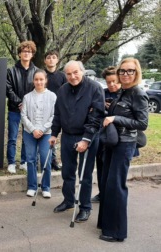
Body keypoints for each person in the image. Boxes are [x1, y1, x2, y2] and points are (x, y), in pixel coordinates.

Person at [97, 58, 148, 242]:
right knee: (106, 184)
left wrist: (115, 118)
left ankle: (117, 232)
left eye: (130, 71)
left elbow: (142, 123)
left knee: (116, 186)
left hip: (125, 144)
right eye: (123, 71)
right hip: (112, 142)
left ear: (137, 73)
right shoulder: (122, 92)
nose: (126, 74)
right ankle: (106, 224)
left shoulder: (138, 93)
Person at [49, 60, 104, 223]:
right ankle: (68, 200)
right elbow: (57, 114)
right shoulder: (62, 90)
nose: (72, 76)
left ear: (83, 71)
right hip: (67, 136)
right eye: (69, 74)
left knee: (84, 174)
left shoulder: (95, 88)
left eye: (75, 72)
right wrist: (54, 133)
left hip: (87, 136)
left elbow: (97, 117)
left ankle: (85, 207)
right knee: (67, 171)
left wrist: (86, 139)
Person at [21, 70, 56, 198]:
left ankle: (46, 187)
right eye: (36, 79)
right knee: (30, 159)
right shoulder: (27, 97)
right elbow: (23, 115)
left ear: (45, 80)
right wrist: (33, 129)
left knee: (45, 159)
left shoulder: (52, 96)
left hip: (46, 133)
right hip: (29, 132)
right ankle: (32, 186)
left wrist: (42, 129)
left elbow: (54, 115)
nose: (39, 82)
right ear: (33, 81)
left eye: (41, 79)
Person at [6, 41, 38, 173]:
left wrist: (27, 105)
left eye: (29, 51)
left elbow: (38, 89)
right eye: (24, 51)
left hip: (30, 111)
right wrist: (20, 103)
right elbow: (8, 89)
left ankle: (24, 161)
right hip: (15, 109)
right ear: (19, 54)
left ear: (32, 54)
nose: (26, 53)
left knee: (27, 137)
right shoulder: (11, 71)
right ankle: (11, 162)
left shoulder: (37, 71)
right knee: (12, 137)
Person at [91, 66, 121, 203]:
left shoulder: (125, 94)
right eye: (108, 82)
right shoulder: (102, 93)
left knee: (115, 169)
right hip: (102, 135)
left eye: (114, 81)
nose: (112, 85)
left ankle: (113, 194)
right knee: (101, 165)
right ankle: (102, 193)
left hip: (119, 137)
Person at [44, 50, 67, 171]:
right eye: (48, 57)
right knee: (47, 135)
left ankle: (54, 160)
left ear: (57, 60)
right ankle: (47, 159)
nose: (51, 59)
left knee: (55, 136)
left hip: (59, 110)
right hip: (44, 110)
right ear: (45, 60)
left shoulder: (62, 76)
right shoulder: (42, 75)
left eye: (53, 57)